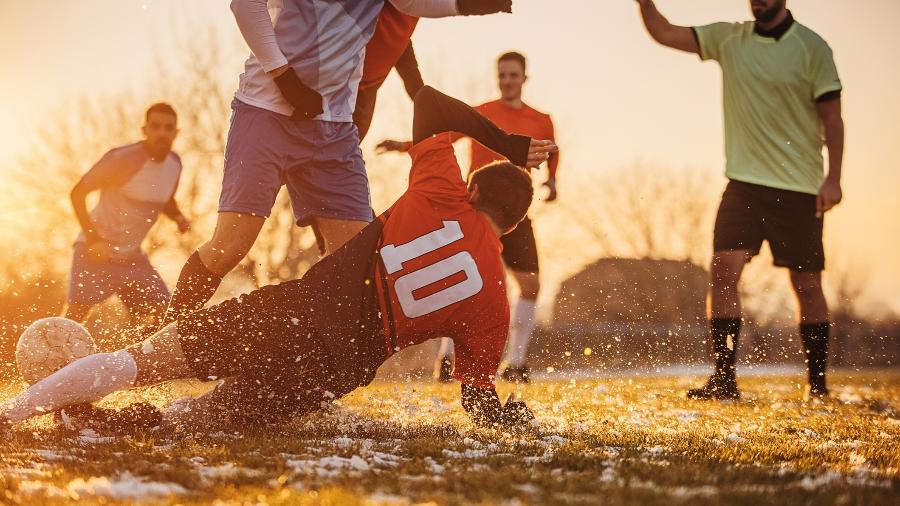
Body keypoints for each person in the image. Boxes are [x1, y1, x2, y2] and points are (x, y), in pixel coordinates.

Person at [0, 87, 557, 435]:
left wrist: (503, 142)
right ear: (511, 228)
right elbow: (478, 403)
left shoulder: (444, 190)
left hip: (291, 313)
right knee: (188, 421)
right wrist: (516, 420)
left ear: (474, 191)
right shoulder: (493, 303)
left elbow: (431, 103)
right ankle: (98, 429)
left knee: (138, 363)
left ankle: (11, 415)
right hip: (332, 371)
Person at [159, 0, 497, 328]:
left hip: (334, 127)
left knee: (353, 265)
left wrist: (471, 4)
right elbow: (245, 5)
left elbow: (409, 5)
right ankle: (157, 343)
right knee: (229, 247)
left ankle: (298, 362)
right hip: (265, 112)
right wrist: (283, 76)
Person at [634, 0, 844, 400]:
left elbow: (833, 119)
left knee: (807, 284)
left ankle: (818, 385)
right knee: (722, 270)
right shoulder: (729, 38)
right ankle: (724, 379)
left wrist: (833, 178)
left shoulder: (812, 48)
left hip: (799, 187)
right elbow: (664, 32)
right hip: (744, 184)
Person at [380, 51, 559, 384]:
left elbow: (553, 150)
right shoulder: (484, 112)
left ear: (524, 78)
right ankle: (448, 359)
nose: (507, 81)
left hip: (513, 214)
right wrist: (404, 145)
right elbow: (444, 133)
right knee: (463, 282)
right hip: (474, 210)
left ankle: (517, 363)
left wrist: (552, 180)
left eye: (513, 75)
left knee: (531, 285)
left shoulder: (541, 118)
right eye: (502, 75)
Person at [64, 102, 190, 326]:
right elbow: (77, 193)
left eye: (168, 128)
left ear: (176, 132)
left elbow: (164, 197)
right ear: (145, 130)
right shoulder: (121, 159)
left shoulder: (175, 164)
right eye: (156, 126)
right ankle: (52, 358)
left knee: (165, 316)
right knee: (74, 319)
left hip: (132, 259)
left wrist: (178, 217)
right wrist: (94, 239)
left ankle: (141, 358)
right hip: (95, 252)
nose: (162, 133)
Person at [353, 0, 513, 141]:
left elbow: (402, 44)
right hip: (340, 82)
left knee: (345, 158)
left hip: (365, 93)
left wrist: (421, 96)